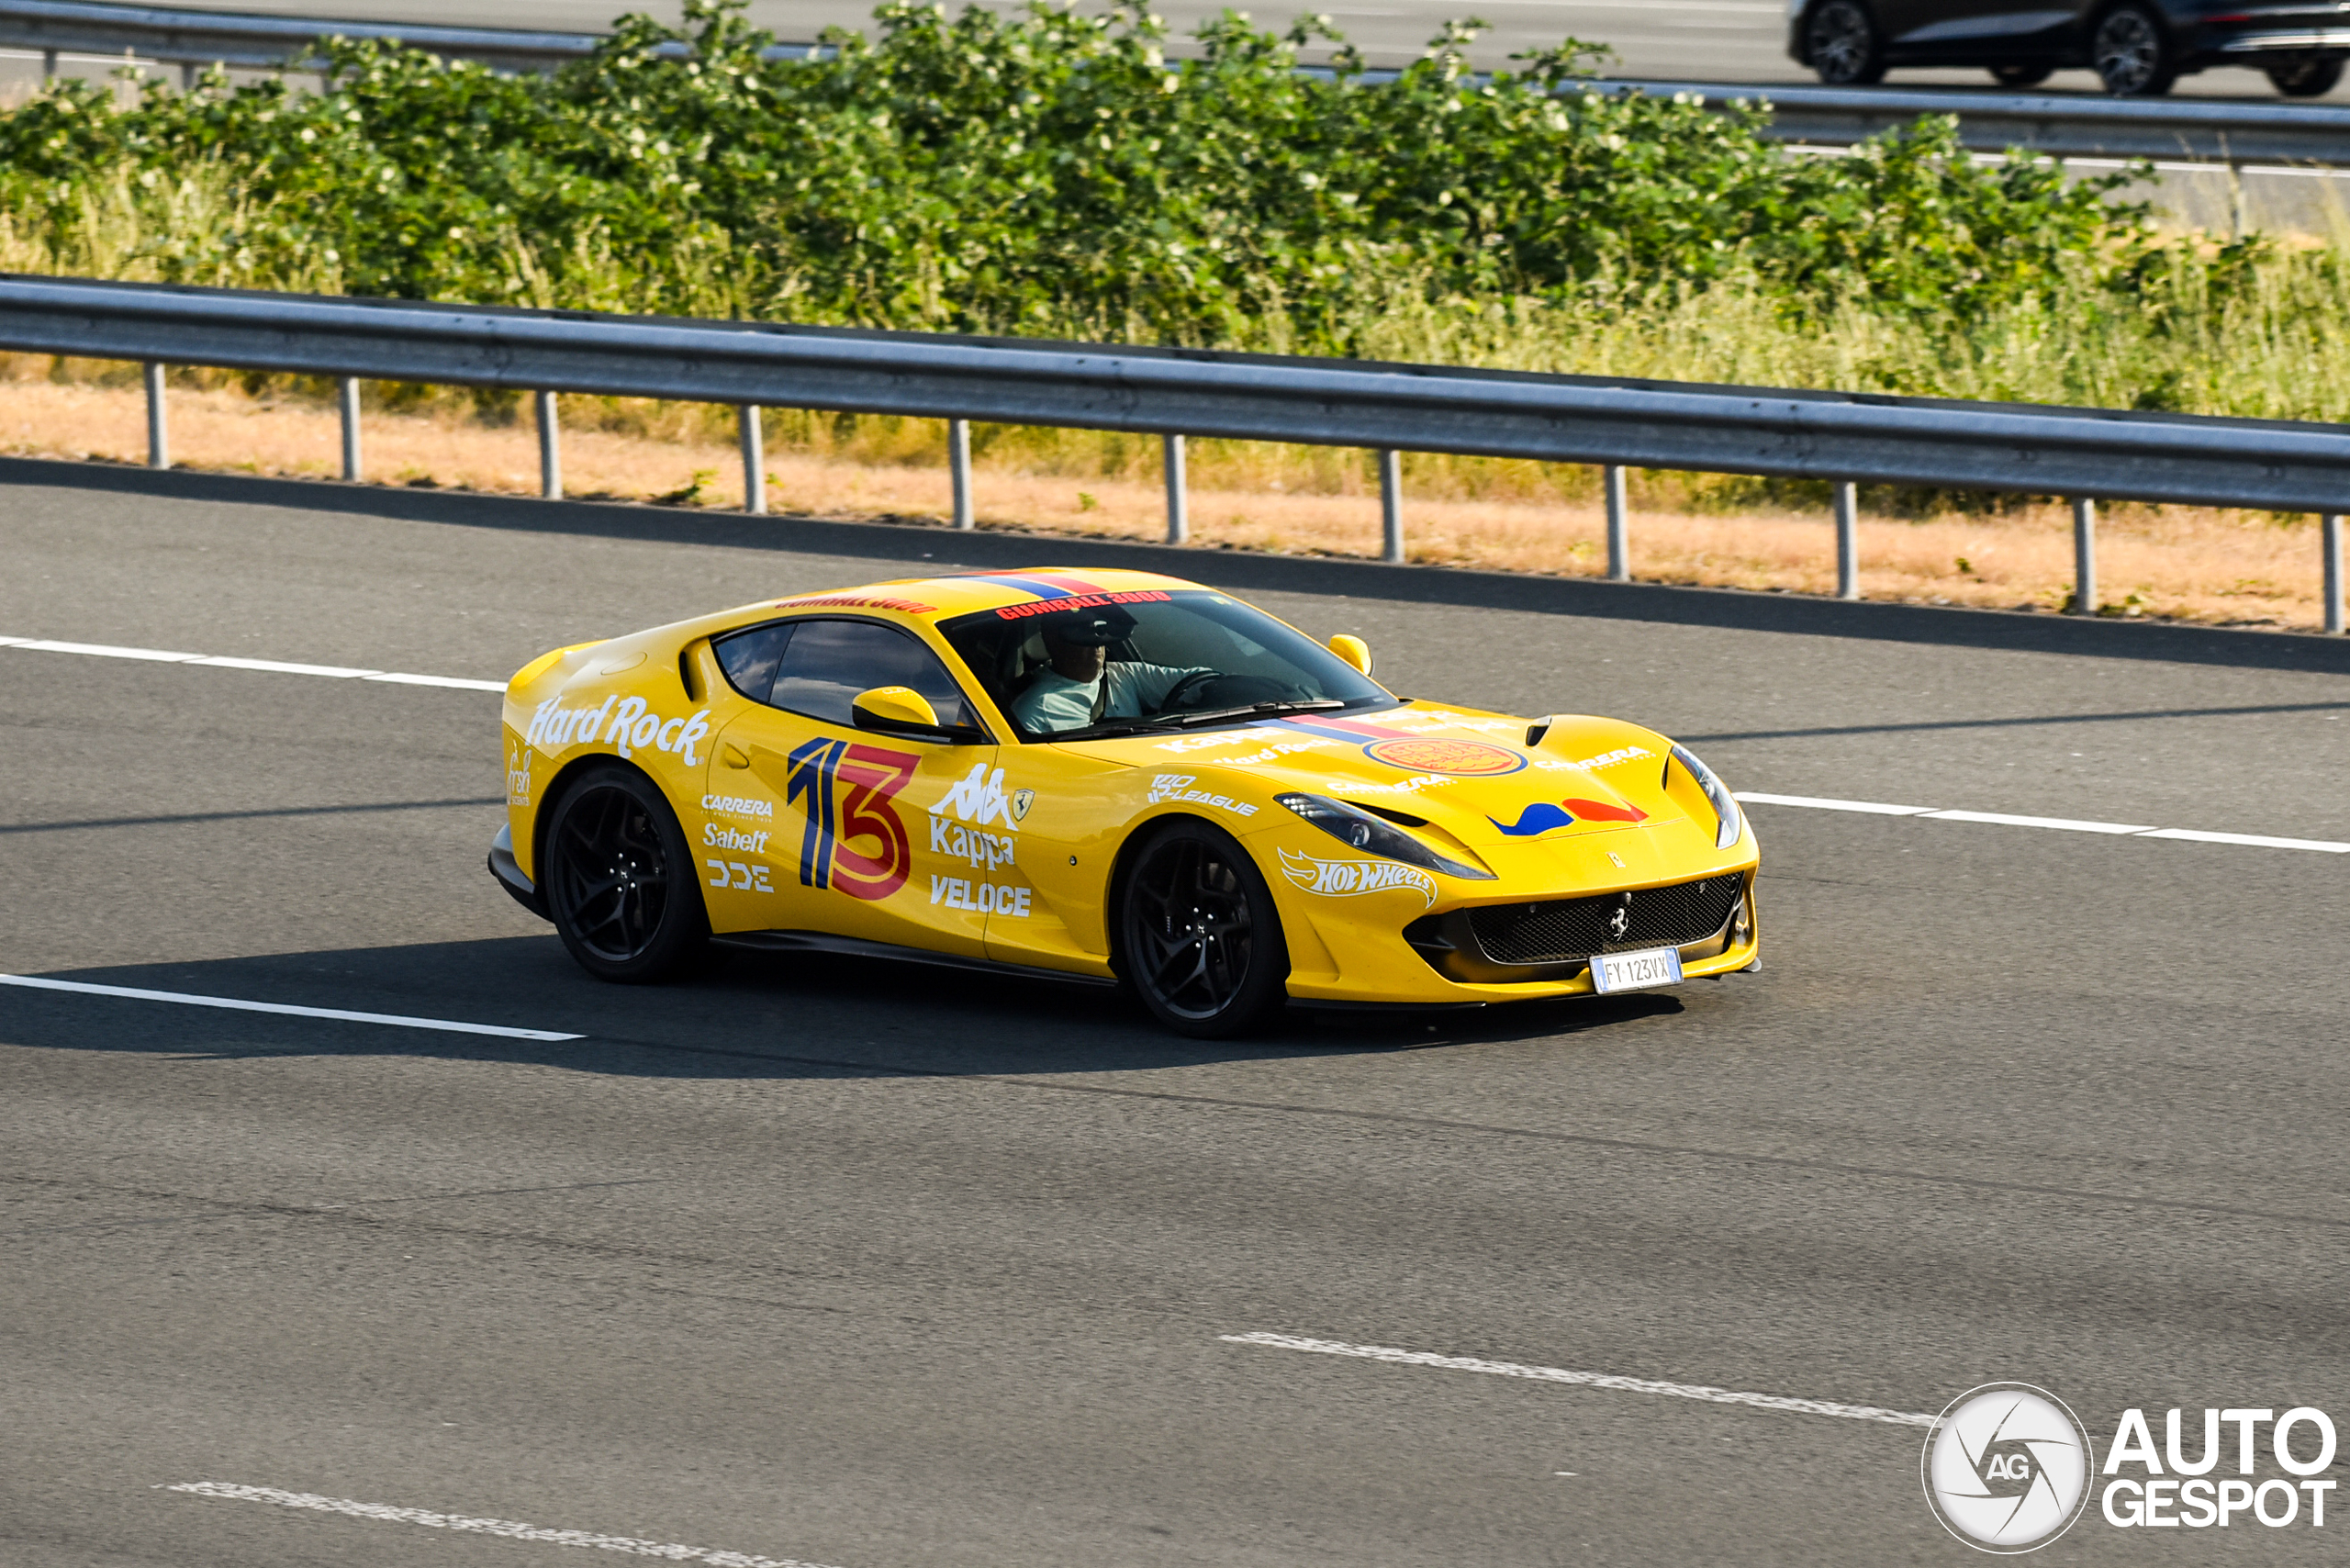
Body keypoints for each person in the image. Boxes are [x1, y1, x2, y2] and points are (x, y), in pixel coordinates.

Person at [1011, 607, 1211, 734]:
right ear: (1053, 642)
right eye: (1082, 633)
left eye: (1097, 629)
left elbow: (1196, 681)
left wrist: (1226, 687)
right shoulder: (1036, 708)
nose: (1096, 642)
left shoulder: (1125, 676)